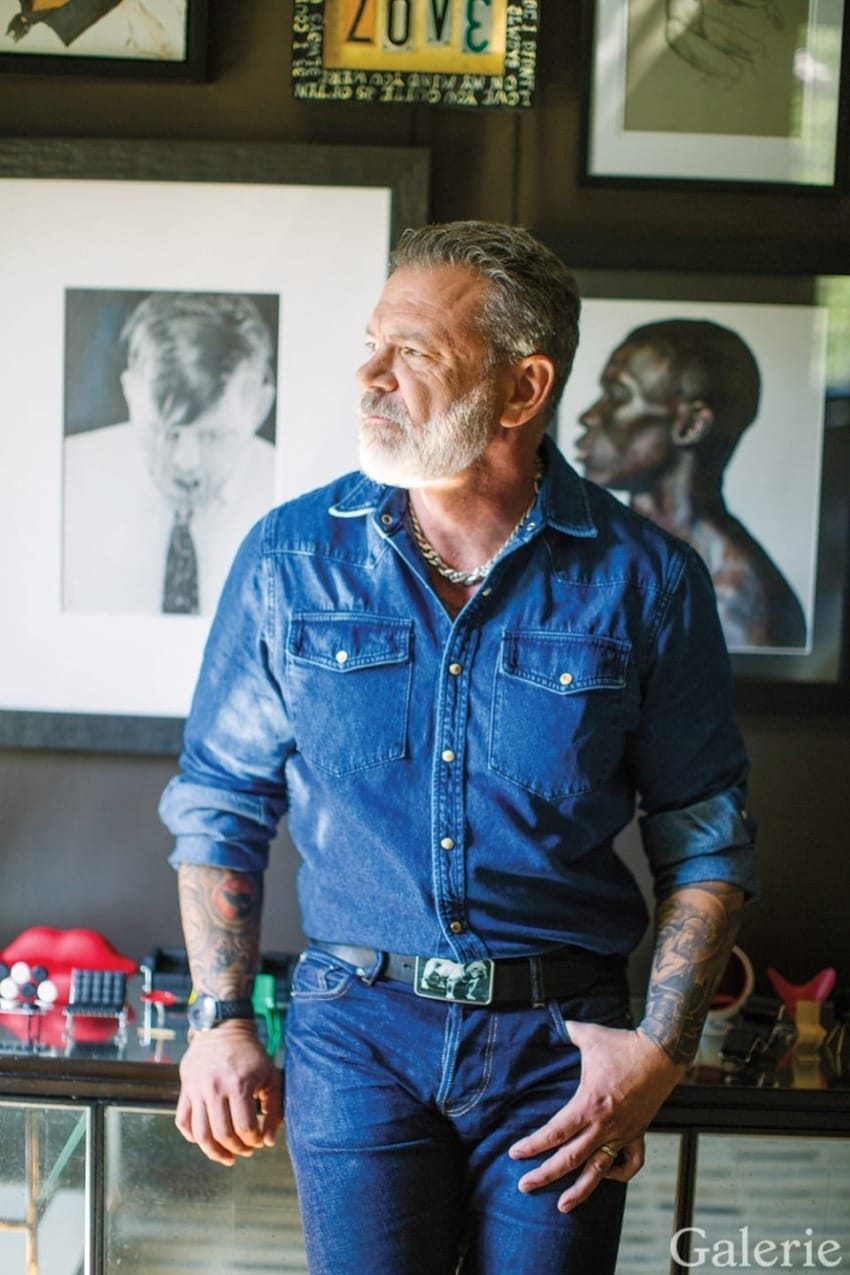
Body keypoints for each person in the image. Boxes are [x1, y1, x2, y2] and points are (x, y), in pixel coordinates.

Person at [160, 221, 757, 1275]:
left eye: (414, 353)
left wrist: (660, 1051)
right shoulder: (290, 557)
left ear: (522, 389)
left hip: (563, 1052)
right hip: (355, 1035)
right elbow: (223, 798)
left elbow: (703, 833)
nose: (369, 376)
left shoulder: (646, 580)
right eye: (371, 344)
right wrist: (220, 1021)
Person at [576, 317, 806, 649]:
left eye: (617, 395)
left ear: (691, 426)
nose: (590, 416)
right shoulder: (612, 554)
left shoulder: (734, 594)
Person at [63, 290, 277, 616]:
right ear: (130, 392)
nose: (185, 463)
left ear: (260, 405)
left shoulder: (292, 497)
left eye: (214, 436)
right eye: (165, 432)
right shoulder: (68, 478)